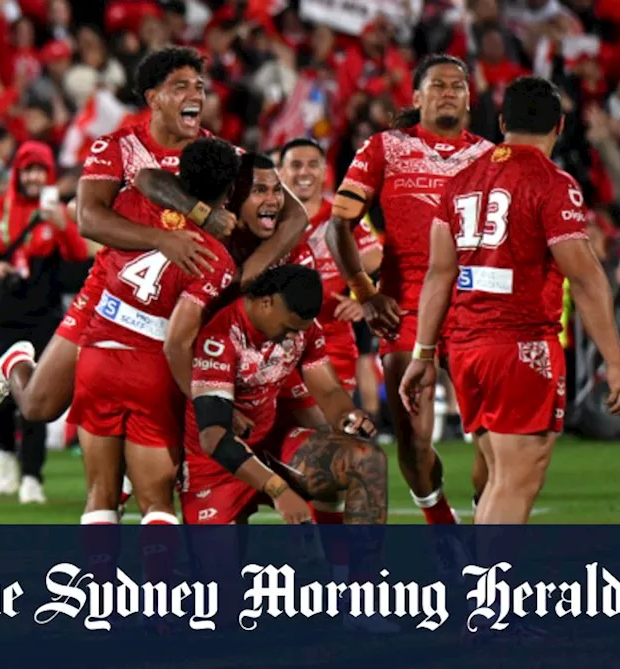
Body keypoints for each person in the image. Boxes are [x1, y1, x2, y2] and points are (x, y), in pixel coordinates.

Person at [0, 46, 308, 429]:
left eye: (199, 86)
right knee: (38, 406)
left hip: (182, 304)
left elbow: (295, 215)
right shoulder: (117, 147)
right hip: (110, 295)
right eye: (180, 86)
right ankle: (15, 363)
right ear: (153, 98)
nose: (195, 96)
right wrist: (161, 239)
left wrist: (251, 272)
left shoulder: (222, 154)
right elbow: (89, 218)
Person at [400, 76, 620, 524]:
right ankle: (488, 591)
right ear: (560, 126)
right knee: (516, 479)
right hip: (519, 345)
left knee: (501, 476)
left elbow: (439, 272)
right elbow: (585, 278)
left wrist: (423, 354)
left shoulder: (460, 181)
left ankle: (482, 582)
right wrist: (617, 361)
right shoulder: (552, 183)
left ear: (503, 121)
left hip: (466, 349)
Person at [327, 54, 494, 525]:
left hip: (475, 304)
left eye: (457, 85)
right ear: (417, 97)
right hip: (406, 304)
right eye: (437, 85)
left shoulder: (489, 157)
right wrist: (364, 290)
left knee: (493, 438)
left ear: (468, 98)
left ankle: (489, 516)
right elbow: (338, 225)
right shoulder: (385, 147)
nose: (448, 92)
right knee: (414, 439)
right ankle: (442, 526)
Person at [70, 136, 242, 527]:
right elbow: (176, 341)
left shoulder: (133, 202)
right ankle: (159, 588)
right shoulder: (218, 260)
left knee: (100, 496)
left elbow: (145, 178)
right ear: (229, 191)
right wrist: (200, 401)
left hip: (96, 356)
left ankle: (98, 588)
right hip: (150, 369)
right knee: (157, 502)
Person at [185, 263, 388, 526]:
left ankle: (357, 567)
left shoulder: (302, 328)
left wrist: (348, 415)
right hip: (217, 466)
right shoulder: (221, 337)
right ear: (267, 303)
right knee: (217, 568)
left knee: (365, 460)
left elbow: (328, 390)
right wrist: (279, 491)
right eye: (288, 327)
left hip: (272, 444)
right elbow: (214, 437)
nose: (292, 336)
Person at [0, 140, 87, 504]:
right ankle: (5, 451)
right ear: (17, 174)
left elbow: (78, 259)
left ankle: (32, 476)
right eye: (28, 169)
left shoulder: (58, 214)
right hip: (0, 315)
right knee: (2, 392)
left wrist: (63, 226)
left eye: (41, 169)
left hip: (43, 317)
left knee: (38, 394)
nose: (35, 176)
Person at [279, 137, 382, 393]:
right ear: (280, 171)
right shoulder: (264, 218)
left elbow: (379, 262)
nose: (304, 172)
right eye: (296, 165)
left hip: (332, 340)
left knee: (336, 426)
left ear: (324, 171)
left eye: (313, 164)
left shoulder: (343, 216)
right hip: (275, 341)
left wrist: (364, 299)